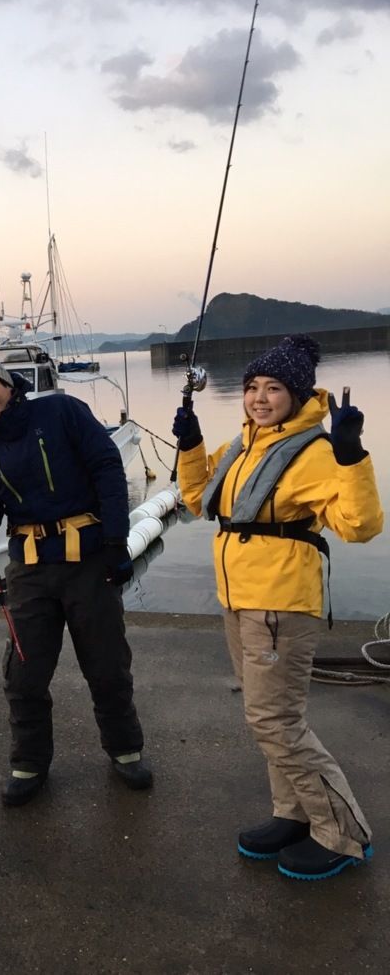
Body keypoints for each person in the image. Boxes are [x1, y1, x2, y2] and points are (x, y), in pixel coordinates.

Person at [172, 334, 383, 881]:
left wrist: (353, 454)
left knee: (276, 722)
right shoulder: (243, 447)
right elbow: (198, 501)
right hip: (238, 600)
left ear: (297, 394)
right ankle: (293, 814)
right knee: (269, 719)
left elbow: (360, 526)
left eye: (273, 388)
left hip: (280, 605)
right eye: (252, 388)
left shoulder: (316, 452)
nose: (260, 398)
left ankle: (343, 833)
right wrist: (191, 446)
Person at [0, 354, 152, 806]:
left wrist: (117, 542)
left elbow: (107, 469)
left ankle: (125, 750)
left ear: (5, 383)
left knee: (106, 663)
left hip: (90, 561)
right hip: (30, 572)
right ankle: (29, 762)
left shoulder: (61, 411)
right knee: (24, 674)